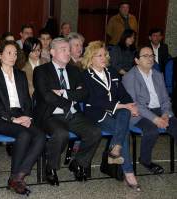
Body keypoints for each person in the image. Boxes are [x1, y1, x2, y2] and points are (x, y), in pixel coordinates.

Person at [33, 38, 101, 185]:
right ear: (52, 52)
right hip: (51, 115)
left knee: (94, 132)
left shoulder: (74, 70)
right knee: (60, 134)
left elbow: (84, 93)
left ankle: (78, 163)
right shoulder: (41, 71)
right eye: (63, 49)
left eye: (68, 50)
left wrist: (64, 93)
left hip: (73, 114)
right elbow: (46, 96)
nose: (67, 52)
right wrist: (69, 100)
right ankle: (51, 168)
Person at [0, 40, 45, 195]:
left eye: (15, 53)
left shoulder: (20, 74)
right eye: (9, 53)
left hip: (19, 114)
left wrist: (28, 116)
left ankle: (18, 176)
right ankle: (16, 179)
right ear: (0, 55)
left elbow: (26, 100)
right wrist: (12, 119)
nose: (13, 56)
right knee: (23, 133)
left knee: (40, 136)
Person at [82, 41, 141, 191]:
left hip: (115, 112)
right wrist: (122, 106)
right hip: (97, 114)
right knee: (124, 130)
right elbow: (94, 100)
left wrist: (131, 105)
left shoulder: (111, 72)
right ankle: (129, 173)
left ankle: (116, 149)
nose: (103, 58)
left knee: (126, 113)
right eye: (99, 55)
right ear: (91, 57)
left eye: (105, 55)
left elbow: (122, 93)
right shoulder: (85, 75)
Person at [122, 46, 177, 174]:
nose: (150, 58)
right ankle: (145, 160)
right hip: (138, 113)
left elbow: (165, 99)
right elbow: (135, 104)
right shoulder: (129, 77)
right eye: (145, 56)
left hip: (159, 110)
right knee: (152, 130)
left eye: (152, 55)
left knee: (175, 125)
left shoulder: (158, 75)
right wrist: (155, 119)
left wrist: (165, 114)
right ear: (137, 60)